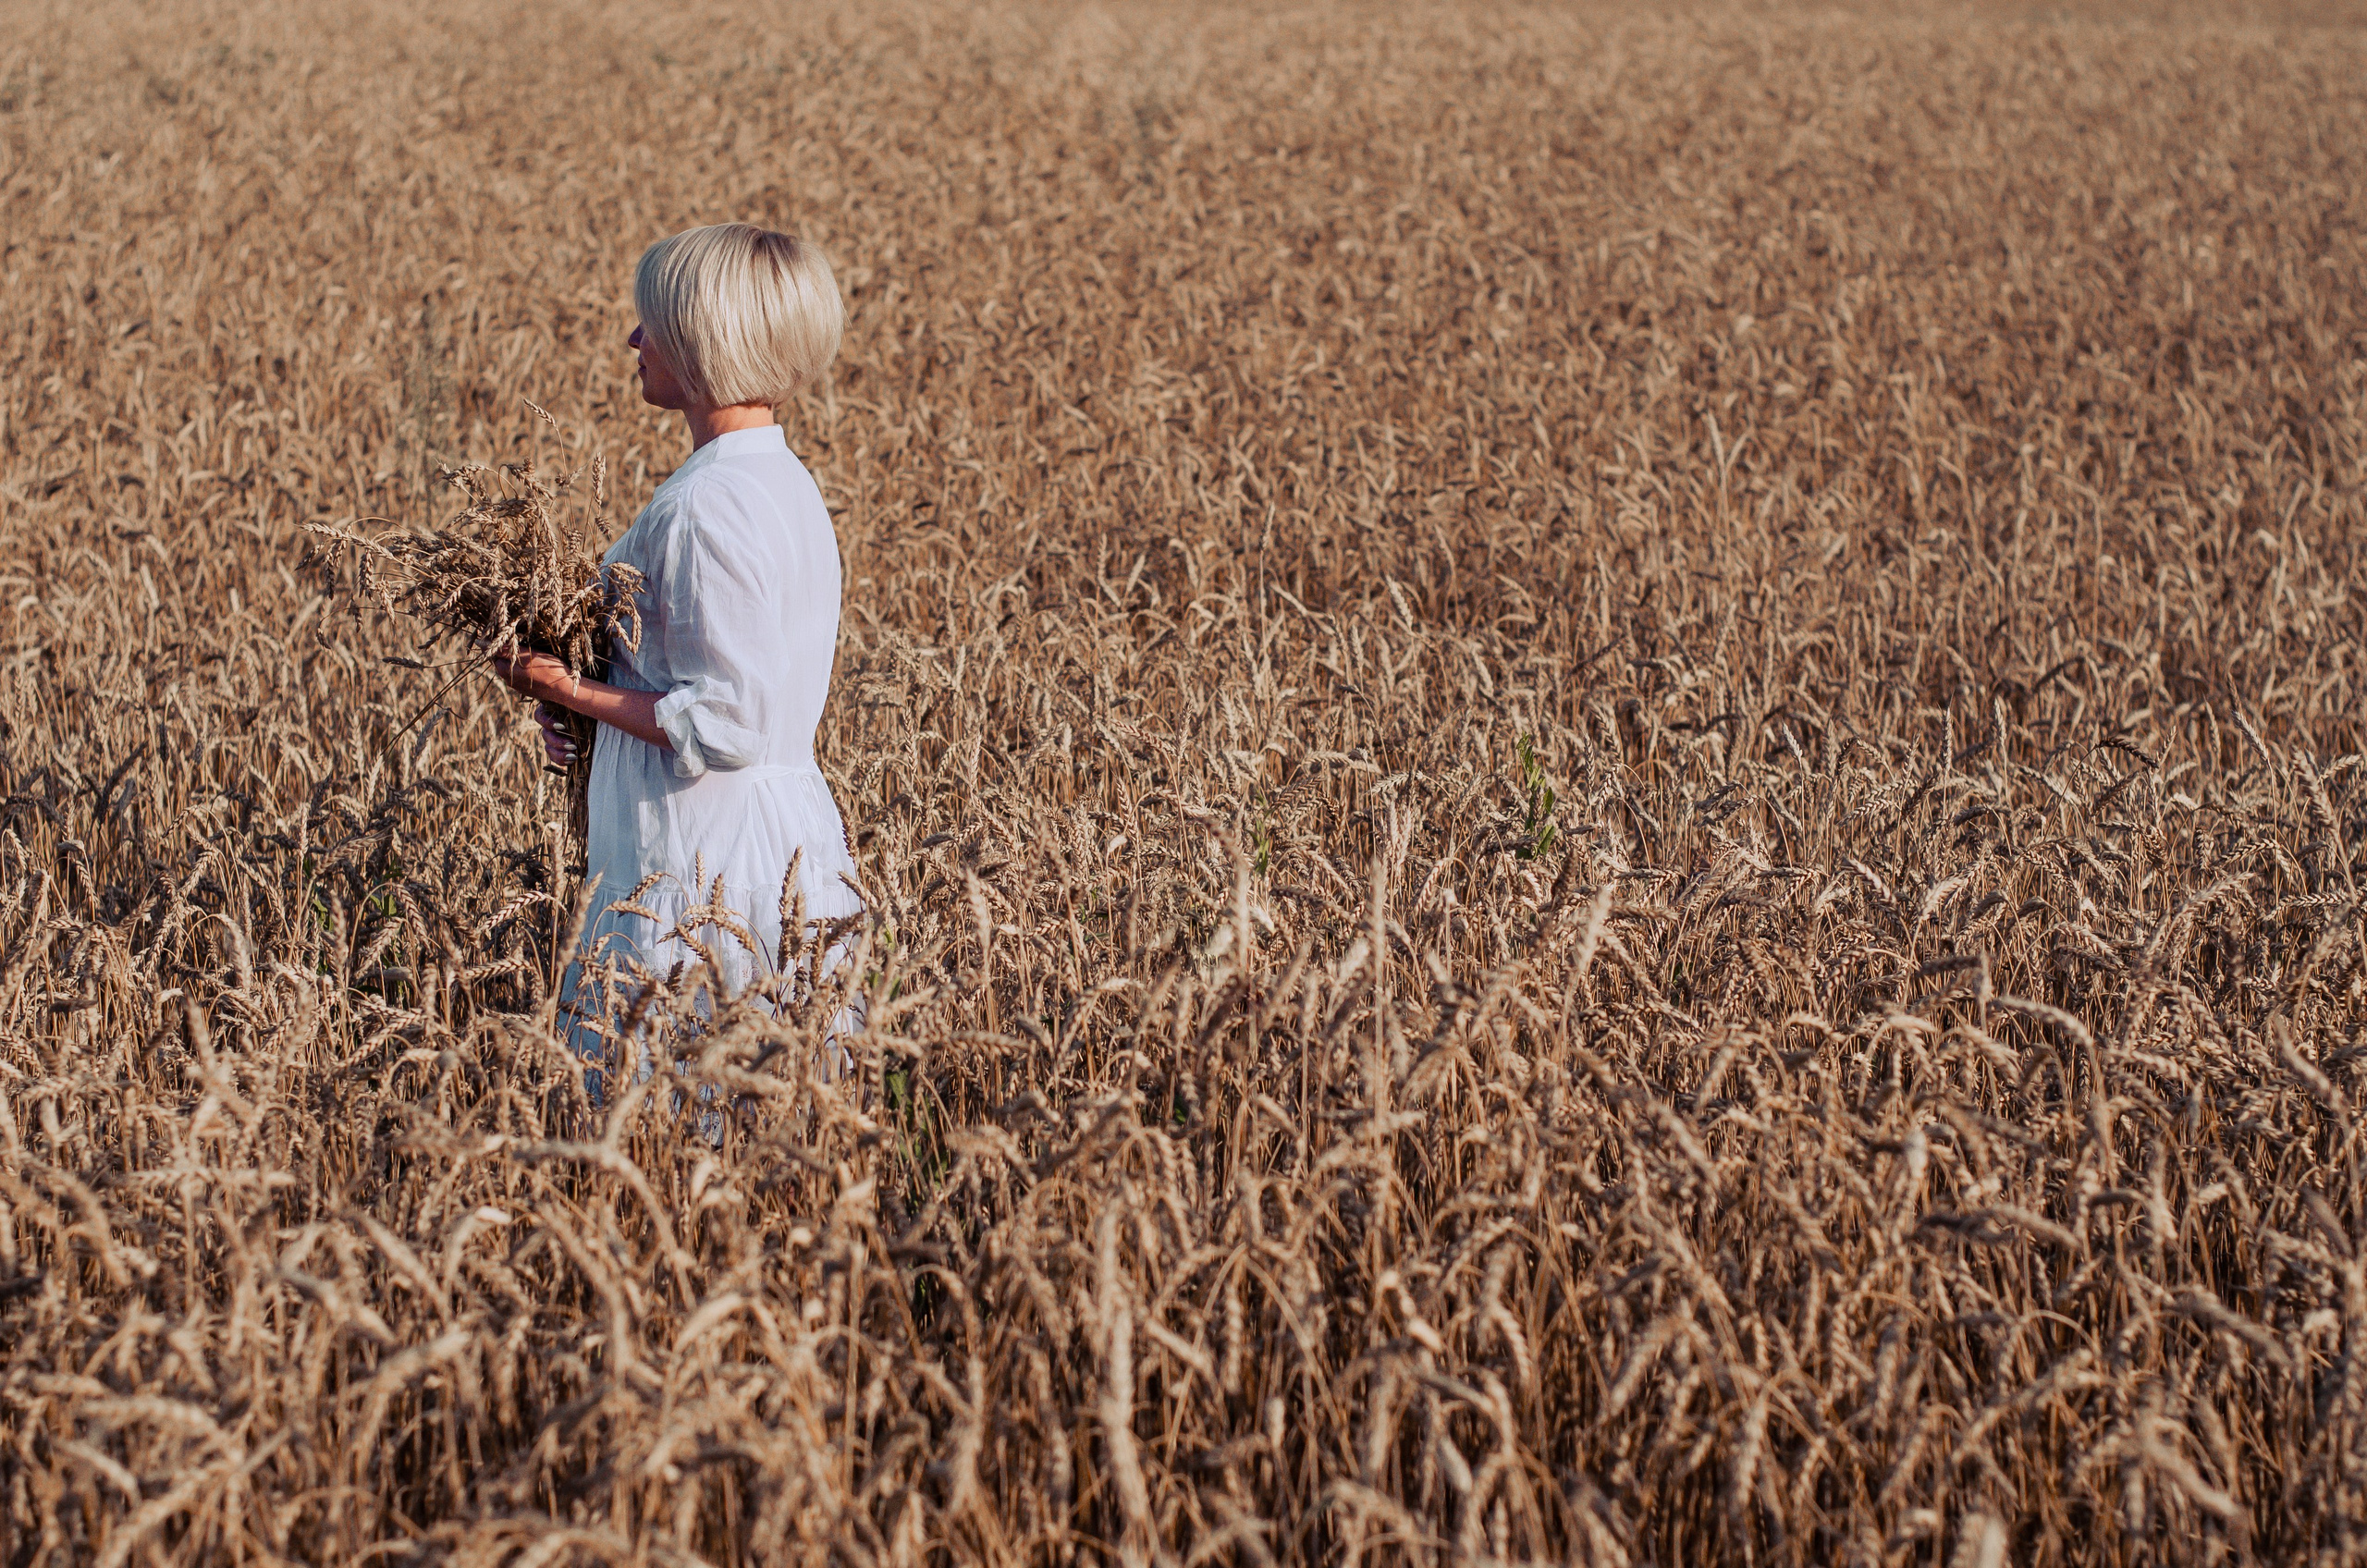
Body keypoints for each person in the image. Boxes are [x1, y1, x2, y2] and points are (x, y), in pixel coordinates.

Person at [491, 223, 863, 1071]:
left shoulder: (706, 505)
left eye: (650, 321)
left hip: (702, 863)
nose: (633, 339)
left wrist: (560, 685)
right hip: (773, 842)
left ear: (703, 339)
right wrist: (599, 715)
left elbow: (725, 722)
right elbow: (726, 678)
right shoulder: (777, 479)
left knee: (678, 1120)